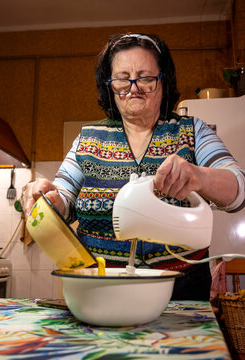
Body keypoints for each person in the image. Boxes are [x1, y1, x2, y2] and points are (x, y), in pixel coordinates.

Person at [22, 33, 245, 300]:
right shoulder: (88, 138)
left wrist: (199, 176)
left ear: (163, 82)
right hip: (100, 291)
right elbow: (64, 201)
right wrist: (48, 198)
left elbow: (238, 190)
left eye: (146, 77)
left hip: (180, 296)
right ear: (110, 85)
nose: (133, 87)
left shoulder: (192, 131)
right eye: (122, 78)